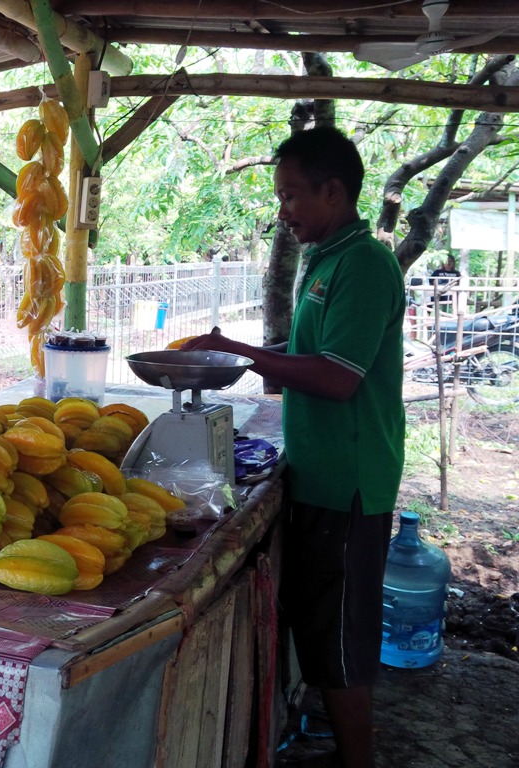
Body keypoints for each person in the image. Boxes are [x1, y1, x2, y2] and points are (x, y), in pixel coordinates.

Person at [184, 127, 405, 768]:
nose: (283, 211)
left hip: (349, 478)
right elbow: (309, 357)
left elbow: (338, 377)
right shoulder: (328, 260)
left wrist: (249, 354)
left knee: (340, 642)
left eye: (290, 196)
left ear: (332, 191)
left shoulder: (364, 264)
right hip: (319, 469)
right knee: (318, 628)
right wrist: (246, 355)